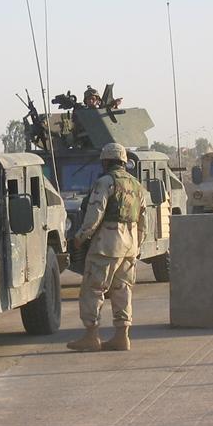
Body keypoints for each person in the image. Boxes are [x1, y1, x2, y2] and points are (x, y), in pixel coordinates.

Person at [67, 143, 147, 352]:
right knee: (122, 290)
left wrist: (81, 237)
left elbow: (95, 213)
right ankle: (122, 337)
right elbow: (143, 220)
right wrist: (137, 244)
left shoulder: (105, 182)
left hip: (107, 244)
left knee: (93, 289)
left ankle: (91, 336)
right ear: (123, 161)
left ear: (105, 161)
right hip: (130, 245)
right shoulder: (137, 185)